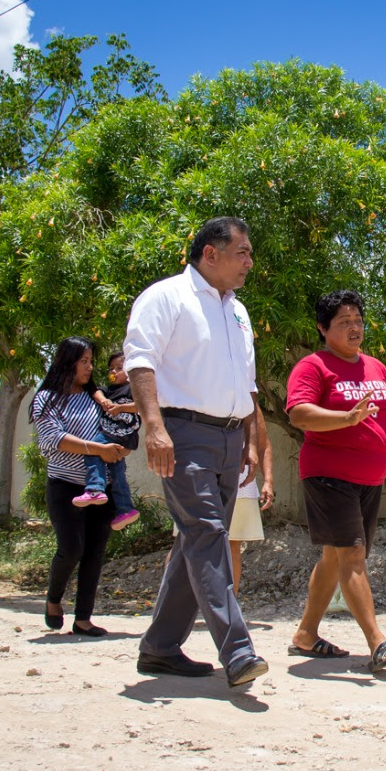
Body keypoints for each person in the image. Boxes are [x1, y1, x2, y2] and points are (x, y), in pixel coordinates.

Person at [123, 216, 269, 687]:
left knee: (195, 542)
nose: (249, 262)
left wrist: (248, 439)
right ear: (210, 254)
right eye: (242, 252)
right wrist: (154, 427)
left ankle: (160, 648)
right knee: (207, 534)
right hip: (183, 435)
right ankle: (238, 650)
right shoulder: (166, 297)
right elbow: (140, 361)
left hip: (229, 439)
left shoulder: (238, 312)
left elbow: (246, 383)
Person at [286, 289, 386, 672]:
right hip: (328, 474)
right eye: (344, 322)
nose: (354, 328)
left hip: (369, 478)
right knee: (352, 554)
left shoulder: (375, 367)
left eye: (358, 321)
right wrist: (345, 419)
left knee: (335, 555)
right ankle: (377, 641)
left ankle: (305, 635)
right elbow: (298, 413)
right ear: (323, 328)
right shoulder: (313, 366)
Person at [30, 336, 128, 637]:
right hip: (65, 486)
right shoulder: (46, 398)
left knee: (94, 553)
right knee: (71, 548)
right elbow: (53, 439)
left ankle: (83, 619)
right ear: (67, 362)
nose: (90, 367)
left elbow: (117, 428)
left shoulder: (96, 397)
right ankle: (54, 598)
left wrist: (122, 446)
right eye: (84, 361)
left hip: (102, 489)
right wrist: (98, 450)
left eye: (91, 362)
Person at [77, 351, 142, 530]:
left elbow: (141, 405)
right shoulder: (109, 390)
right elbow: (95, 391)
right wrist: (104, 401)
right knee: (117, 472)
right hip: (115, 435)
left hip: (121, 433)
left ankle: (95, 488)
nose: (113, 372)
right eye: (111, 368)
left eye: (119, 368)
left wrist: (120, 408)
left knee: (92, 450)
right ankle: (125, 509)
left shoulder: (132, 388)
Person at [228, 405, 274, 597]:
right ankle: (174, 606)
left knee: (232, 546)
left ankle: (229, 605)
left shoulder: (248, 397)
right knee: (187, 543)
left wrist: (268, 481)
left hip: (240, 482)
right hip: (201, 478)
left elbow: (263, 444)